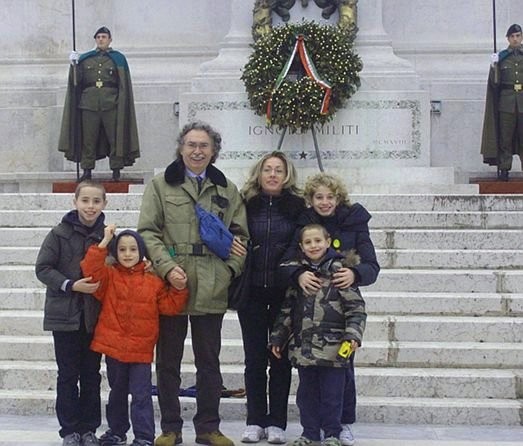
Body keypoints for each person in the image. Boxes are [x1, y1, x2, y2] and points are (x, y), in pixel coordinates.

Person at [137, 121, 249, 446]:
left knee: (209, 362)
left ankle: (208, 427)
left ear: (213, 151)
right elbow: (147, 231)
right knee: (168, 361)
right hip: (172, 283)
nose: (197, 151)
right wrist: (167, 267)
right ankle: (171, 427)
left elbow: (242, 235)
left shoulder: (227, 189)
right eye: (191, 145)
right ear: (181, 148)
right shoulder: (161, 185)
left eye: (204, 146)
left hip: (212, 282)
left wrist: (230, 269)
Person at [282, 172, 379, 446]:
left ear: (339, 198)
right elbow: (289, 259)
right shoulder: (304, 224)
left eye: (330, 197)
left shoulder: (355, 220)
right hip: (309, 315)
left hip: (340, 310)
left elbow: (372, 265)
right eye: (319, 197)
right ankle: (311, 430)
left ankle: (342, 425)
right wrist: (298, 274)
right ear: (311, 201)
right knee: (310, 384)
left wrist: (355, 274)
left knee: (343, 372)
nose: (325, 202)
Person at [80, 225, 189, 446]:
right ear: (115, 253)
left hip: (141, 351)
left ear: (141, 252)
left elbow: (169, 307)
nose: (128, 254)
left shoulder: (153, 281)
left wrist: (179, 289)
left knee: (141, 396)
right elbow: (90, 270)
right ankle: (117, 431)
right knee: (116, 393)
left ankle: (144, 436)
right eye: (122, 250)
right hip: (114, 349)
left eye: (132, 249)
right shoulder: (109, 276)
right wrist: (104, 242)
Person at [270, 224, 367, 446]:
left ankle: (332, 433)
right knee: (306, 395)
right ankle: (310, 432)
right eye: (308, 242)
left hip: (334, 350)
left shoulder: (340, 272)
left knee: (333, 396)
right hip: (305, 349)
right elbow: (287, 310)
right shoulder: (300, 276)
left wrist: (353, 336)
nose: (313, 246)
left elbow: (356, 309)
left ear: (328, 241)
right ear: (301, 247)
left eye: (318, 241)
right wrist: (278, 337)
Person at [237, 152, 306, 444]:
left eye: (279, 170)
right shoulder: (245, 204)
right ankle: (255, 420)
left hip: (284, 294)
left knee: (279, 359)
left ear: (287, 175)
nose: (273, 174)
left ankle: (277, 422)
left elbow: (302, 241)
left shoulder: (297, 207)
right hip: (251, 292)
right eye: (268, 169)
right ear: (259, 173)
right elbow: (234, 233)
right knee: (254, 359)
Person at [35, 181, 108, 446]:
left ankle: (89, 428)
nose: (90, 207)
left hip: (93, 318)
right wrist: (69, 284)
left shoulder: (108, 237)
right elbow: (43, 268)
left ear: (104, 204)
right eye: (85, 201)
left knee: (91, 374)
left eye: (96, 201)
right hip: (64, 316)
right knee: (67, 375)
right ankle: (69, 430)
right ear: (75, 202)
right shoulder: (58, 234)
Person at [58, 26, 140, 182]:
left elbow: (122, 84)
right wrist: (74, 65)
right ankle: (87, 170)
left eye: (104, 37)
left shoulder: (118, 58)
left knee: (114, 139)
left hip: (112, 104)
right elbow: (77, 82)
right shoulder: (86, 59)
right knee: (88, 139)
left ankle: (116, 170)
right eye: (98, 37)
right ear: (95, 40)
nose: (101, 39)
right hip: (88, 105)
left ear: (110, 40)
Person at [481, 23, 523, 181]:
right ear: (508, 38)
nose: (515, 39)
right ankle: (504, 169)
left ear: (521, 37)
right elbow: (495, 84)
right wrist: (494, 67)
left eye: (518, 36)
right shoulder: (502, 57)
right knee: (505, 138)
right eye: (512, 37)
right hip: (506, 104)